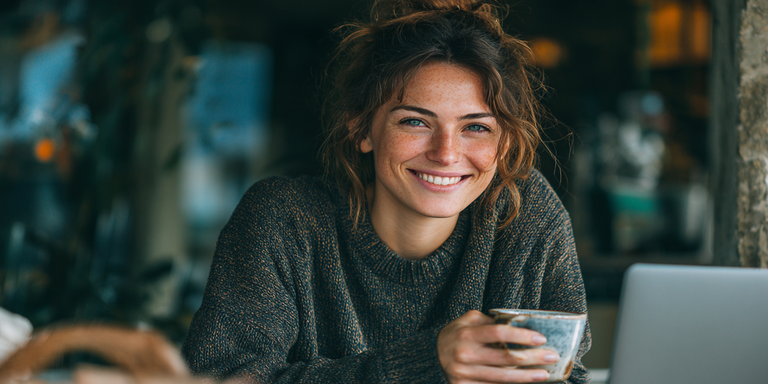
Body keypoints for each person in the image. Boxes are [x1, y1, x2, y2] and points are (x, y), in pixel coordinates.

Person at [181, 0, 591, 383]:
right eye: (415, 122)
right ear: (361, 128)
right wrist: (426, 362)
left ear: (504, 145)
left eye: (476, 127)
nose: (446, 154)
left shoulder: (523, 211)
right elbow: (219, 378)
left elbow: (566, 373)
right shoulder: (285, 219)